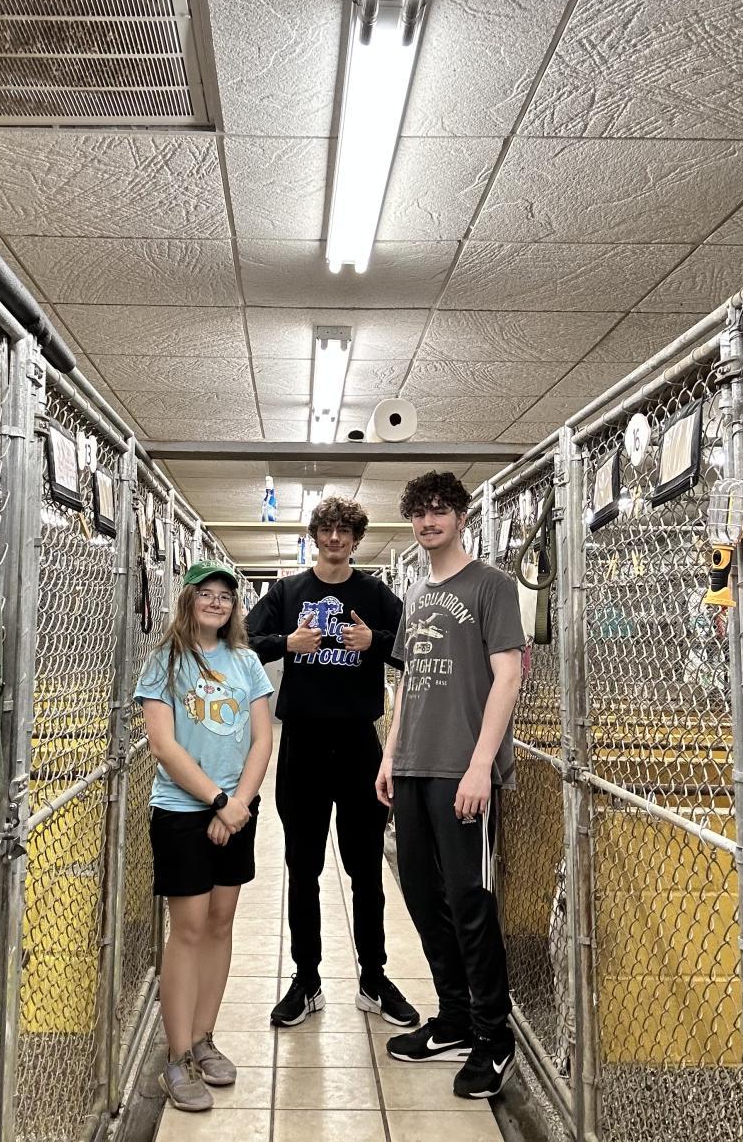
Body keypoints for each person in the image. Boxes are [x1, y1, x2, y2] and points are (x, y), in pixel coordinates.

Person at [377, 471, 524, 1099]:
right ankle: (455, 1017)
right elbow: (408, 682)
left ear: (462, 518)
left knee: (470, 901)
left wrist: (480, 765)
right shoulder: (414, 592)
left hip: (463, 770)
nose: (428, 521)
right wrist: (390, 755)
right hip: (413, 766)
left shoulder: (492, 585)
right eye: (419, 512)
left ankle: (494, 1036)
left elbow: (508, 677)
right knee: (419, 892)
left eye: (440, 510)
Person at [246, 496, 418, 1028]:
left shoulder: (375, 594)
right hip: (302, 744)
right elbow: (243, 642)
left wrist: (374, 642)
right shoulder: (287, 592)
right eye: (327, 529)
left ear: (357, 539)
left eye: (346, 530)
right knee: (303, 868)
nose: (336, 537)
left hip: (358, 744)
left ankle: (374, 977)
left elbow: (417, 647)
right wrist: (288, 642)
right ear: (315, 535)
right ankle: (307, 980)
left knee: (365, 869)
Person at [137, 561, 274, 1112]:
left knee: (220, 923)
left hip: (236, 810)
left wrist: (238, 804)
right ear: (189, 600)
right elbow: (163, 745)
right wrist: (218, 801)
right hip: (183, 811)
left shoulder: (246, 662)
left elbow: (261, 740)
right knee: (189, 929)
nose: (217, 603)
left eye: (226, 596)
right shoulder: (165, 661)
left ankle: (202, 1039)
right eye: (207, 594)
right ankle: (175, 1058)